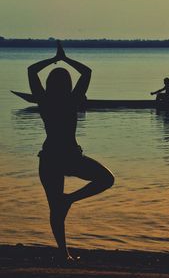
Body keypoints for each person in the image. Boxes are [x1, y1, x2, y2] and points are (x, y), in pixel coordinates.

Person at [28, 41, 114, 265]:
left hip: (50, 158)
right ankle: (69, 205)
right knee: (106, 179)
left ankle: (62, 251)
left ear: (49, 83)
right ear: (67, 84)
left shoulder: (44, 100)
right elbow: (87, 72)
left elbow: (31, 70)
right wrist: (64, 59)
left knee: (56, 207)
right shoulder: (72, 99)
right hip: (69, 157)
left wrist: (53, 60)